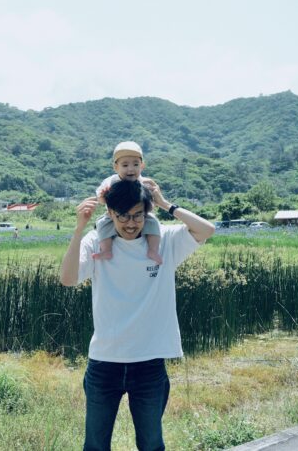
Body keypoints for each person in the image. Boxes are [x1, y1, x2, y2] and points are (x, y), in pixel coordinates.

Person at [60, 179, 215, 451]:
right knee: (95, 445)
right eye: (123, 216)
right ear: (110, 213)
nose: (130, 223)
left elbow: (207, 230)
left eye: (137, 215)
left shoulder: (164, 241)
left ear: (147, 213)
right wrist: (79, 229)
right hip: (104, 363)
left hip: (149, 364)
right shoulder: (97, 241)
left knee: (151, 444)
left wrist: (165, 204)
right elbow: (68, 278)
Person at [92, 141, 164, 265]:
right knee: (102, 223)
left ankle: (153, 250)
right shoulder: (110, 182)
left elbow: (151, 202)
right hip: (115, 215)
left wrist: (152, 203)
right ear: (115, 167)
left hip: (140, 215)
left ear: (142, 166)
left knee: (153, 222)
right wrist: (103, 196)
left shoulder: (145, 182)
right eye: (125, 165)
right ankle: (107, 250)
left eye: (135, 164)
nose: (130, 169)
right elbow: (101, 199)